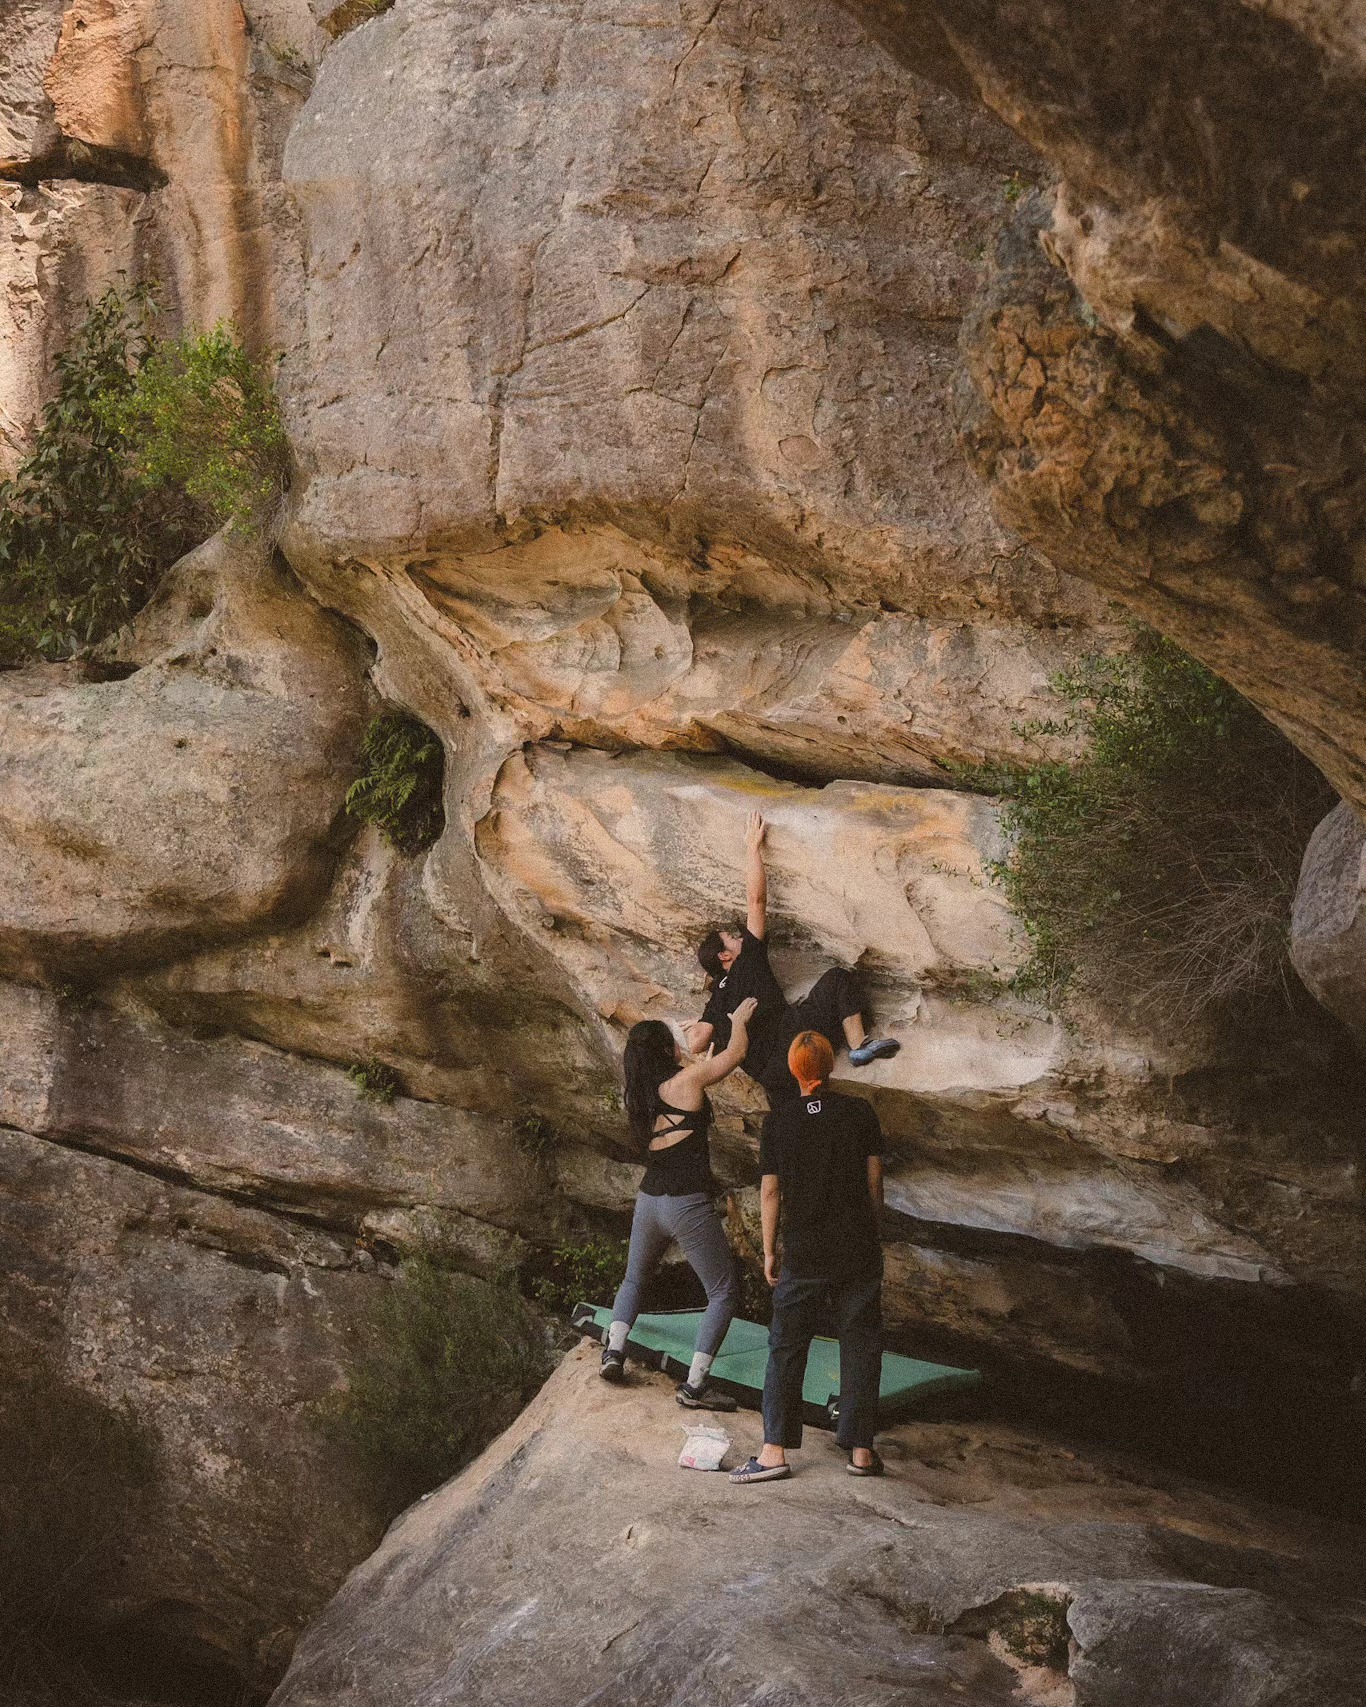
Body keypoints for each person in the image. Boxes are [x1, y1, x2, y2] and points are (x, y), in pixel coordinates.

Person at [729, 1030, 887, 1483]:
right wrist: (872, 1231)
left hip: (804, 1248)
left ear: (794, 1071)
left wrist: (768, 1249)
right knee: (860, 1344)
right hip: (855, 1245)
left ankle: (774, 1451)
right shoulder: (860, 1112)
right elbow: (875, 1181)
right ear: (831, 1068)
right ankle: (860, 1451)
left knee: (787, 1346)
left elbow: (771, 1190)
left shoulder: (779, 1121)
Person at [599, 994, 760, 1410]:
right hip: (686, 1203)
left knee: (635, 1278)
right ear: (665, 1048)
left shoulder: (638, 1097)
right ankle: (695, 1386)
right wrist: (737, 1019)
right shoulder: (687, 1082)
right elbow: (736, 1053)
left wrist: (696, 1062)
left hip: (649, 1200)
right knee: (723, 1291)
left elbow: (685, 1088)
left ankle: (614, 1351)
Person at [687, 811, 899, 1103]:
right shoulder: (746, 960)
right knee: (838, 979)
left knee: (797, 1124)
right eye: (732, 939)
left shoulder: (716, 1000)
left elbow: (697, 1043)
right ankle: (858, 1045)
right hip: (793, 1040)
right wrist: (752, 847)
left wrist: (697, 1027)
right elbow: (756, 901)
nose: (739, 938)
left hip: (769, 1075)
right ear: (725, 955)